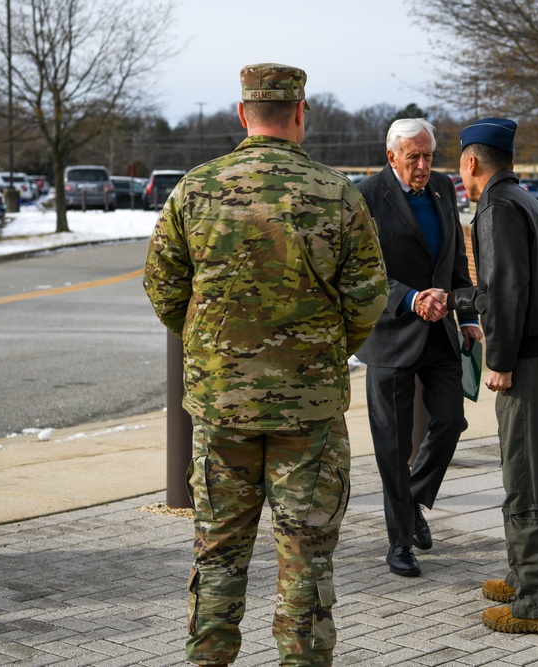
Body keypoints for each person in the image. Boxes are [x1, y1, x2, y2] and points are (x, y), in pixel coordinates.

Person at [143, 63, 388, 666]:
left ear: (241, 112)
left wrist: (213, 348)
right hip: (309, 414)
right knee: (305, 556)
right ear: (301, 112)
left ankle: (208, 659)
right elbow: (369, 298)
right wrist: (323, 351)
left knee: (218, 552)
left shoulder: (195, 189)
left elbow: (163, 287)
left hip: (222, 408)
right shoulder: (336, 193)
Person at [448, 117, 538, 634]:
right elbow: (511, 288)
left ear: (471, 163)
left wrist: (498, 360)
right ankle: (525, 573)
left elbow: (506, 291)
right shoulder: (526, 201)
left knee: (528, 478)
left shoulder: (496, 207)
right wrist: (460, 300)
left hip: (530, 361)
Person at [355, 118, 482, 577]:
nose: (424, 165)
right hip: (389, 336)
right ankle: (399, 543)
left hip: (440, 334)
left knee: (451, 420)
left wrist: (467, 316)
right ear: (392, 157)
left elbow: (456, 258)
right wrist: (410, 298)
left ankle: (412, 502)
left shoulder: (445, 190)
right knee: (391, 445)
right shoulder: (366, 197)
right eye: (415, 158)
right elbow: (362, 272)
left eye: (429, 156)